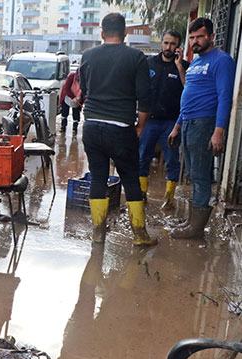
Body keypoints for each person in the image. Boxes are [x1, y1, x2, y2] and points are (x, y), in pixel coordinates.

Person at [79, 13, 155, 246]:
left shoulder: (88, 56)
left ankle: (98, 232)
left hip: (91, 126)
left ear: (102, 33)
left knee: (98, 178)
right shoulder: (136, 57)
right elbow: (145, 100)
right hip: (121, 127)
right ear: (125, 33)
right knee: (130, 178)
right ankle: (140, 235)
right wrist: (140, 126)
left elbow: (83, 89)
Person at [166, 18, 236, 239]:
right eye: (192, 38)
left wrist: (219, 131)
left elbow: (225, 97)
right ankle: (191, 221)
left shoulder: (221, 60)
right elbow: (190, 96)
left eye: (200, 37)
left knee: (201, 175)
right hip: (188, 122)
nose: (195, 42)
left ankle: (196, 229)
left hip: (205, 123)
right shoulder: (194, 62)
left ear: (211, 37)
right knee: (194, 174)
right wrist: (177, 126)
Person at [138, 29, 189, 210]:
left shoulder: (184, 66)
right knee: (142, 157)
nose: (169, 47)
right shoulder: (149, 63)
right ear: (161, 43)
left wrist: (180, 66)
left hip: (171, 123)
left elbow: (188, 89)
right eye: (166, 43)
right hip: (149, 120)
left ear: (178, 46)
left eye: (173, 44)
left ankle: (169, 200)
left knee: (172, 160)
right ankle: (142, 195)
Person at [59, 69, 82, 133]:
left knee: (76, 112)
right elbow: (66, 88)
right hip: (67, 95)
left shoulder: (85, 79)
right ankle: (63, 127)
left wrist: (82, 101)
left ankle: (75, 128)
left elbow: (84, 91)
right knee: (64, 112)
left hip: (78, 96)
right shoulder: (71, 76)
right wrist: (72, 97)